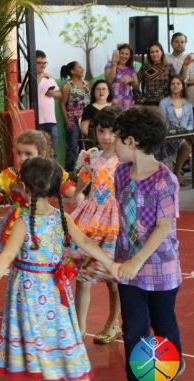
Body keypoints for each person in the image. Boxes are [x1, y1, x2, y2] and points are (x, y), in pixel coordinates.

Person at [0, 157, 119, 381]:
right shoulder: (61, 217)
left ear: (23, 187)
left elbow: (6, 256)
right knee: (57, 334)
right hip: (54, 290)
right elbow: (86, 242)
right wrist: (111, 263)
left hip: (29, 292)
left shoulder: (23, 222)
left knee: (35, 337)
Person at [114, 107, 185, 381]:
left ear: (131, 141)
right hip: (127, 268)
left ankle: (170, 366)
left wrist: (137, 260)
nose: (113, 143)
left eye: (117, 137)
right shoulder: (120, 173)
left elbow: (163, 227)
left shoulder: (165, 180)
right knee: (133, 328)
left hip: (160, 268)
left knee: (163, 323)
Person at [70, 106, 122, 344]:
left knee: (113, 281)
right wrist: (75, 193)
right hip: (91, 222)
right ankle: (79, 330)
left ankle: (113, 323)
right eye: (101, 130)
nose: (106, 136)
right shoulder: (92, 156)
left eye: (112, 131)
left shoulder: (124, 161)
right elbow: (81, 181)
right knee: (83, 277)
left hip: (113, 223)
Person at [0, 130, 75, 254]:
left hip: (41, 220)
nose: (22, 158)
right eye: (19, 153)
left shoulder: (48, 173)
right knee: (14, 252)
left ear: (42, 154)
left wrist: (76, 194)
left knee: (41, 251)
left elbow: (64, 186)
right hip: (16, 221)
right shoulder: (12, 175)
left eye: (28, 154)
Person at [157, 75, 193, 186]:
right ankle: (177, 172)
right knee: (187, 145)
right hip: (170, 136)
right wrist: (176, 132)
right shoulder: (164, 103)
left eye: (178, 83)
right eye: (173, 84)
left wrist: (186, 131)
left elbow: (191, 122)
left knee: (189, 142)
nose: (175, 86)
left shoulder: (188, 104)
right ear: (169, 86)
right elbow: (163, 122)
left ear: (182, 86)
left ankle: (177, 171)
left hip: (185, 134)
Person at [60, 61, 90, 171]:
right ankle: (69, 172)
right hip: (73, 121)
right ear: (72, 71)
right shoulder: (67, 86)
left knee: (86, 147)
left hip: (86, 120)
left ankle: (85, 171)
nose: (82, 69)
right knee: (72, 147)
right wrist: (67, 121)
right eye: (79, 67)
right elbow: (62, 104)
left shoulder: (86, 83)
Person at [35, 50, 61, 156]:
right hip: (37, 121)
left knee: (52, 152)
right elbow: (28, 90)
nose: (43, 65)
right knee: (38, 152)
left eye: (44, 63)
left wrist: (52, 93)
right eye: (39, 63)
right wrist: (41, 76)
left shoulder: (49, 78)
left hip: (51, 121)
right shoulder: (26, 76)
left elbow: (59, 94)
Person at [137, 41, 176, 106]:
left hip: (166, 103)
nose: (154, 54)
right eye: (152, 52)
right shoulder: (145, 67)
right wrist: (139, 96)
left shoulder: (169, 67)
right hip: (149, 103)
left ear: (161, 52)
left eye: (157, 51)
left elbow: (176, 83)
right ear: (149, 54)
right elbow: (136, 81)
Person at [80, 80, 113, 148]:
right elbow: (84, 129)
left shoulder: (114, 107)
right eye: (98, 89)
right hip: (95, 142)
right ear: (94, 92)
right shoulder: (89, 109)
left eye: (104, 89)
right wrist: (98, 139)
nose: (101, 91)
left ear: (109, 92)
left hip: (113, 141)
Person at [105, 43, 139, 110]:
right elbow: (109, 80)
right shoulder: (109, 65)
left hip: (128, 102)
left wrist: (131, 80)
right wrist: (114, 63)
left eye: (127, 54)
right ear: (118, 54)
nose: (124, 56)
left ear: (130, 56)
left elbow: (137, 87)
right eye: (122, 53)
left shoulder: (131, 70)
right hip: (112, 101)